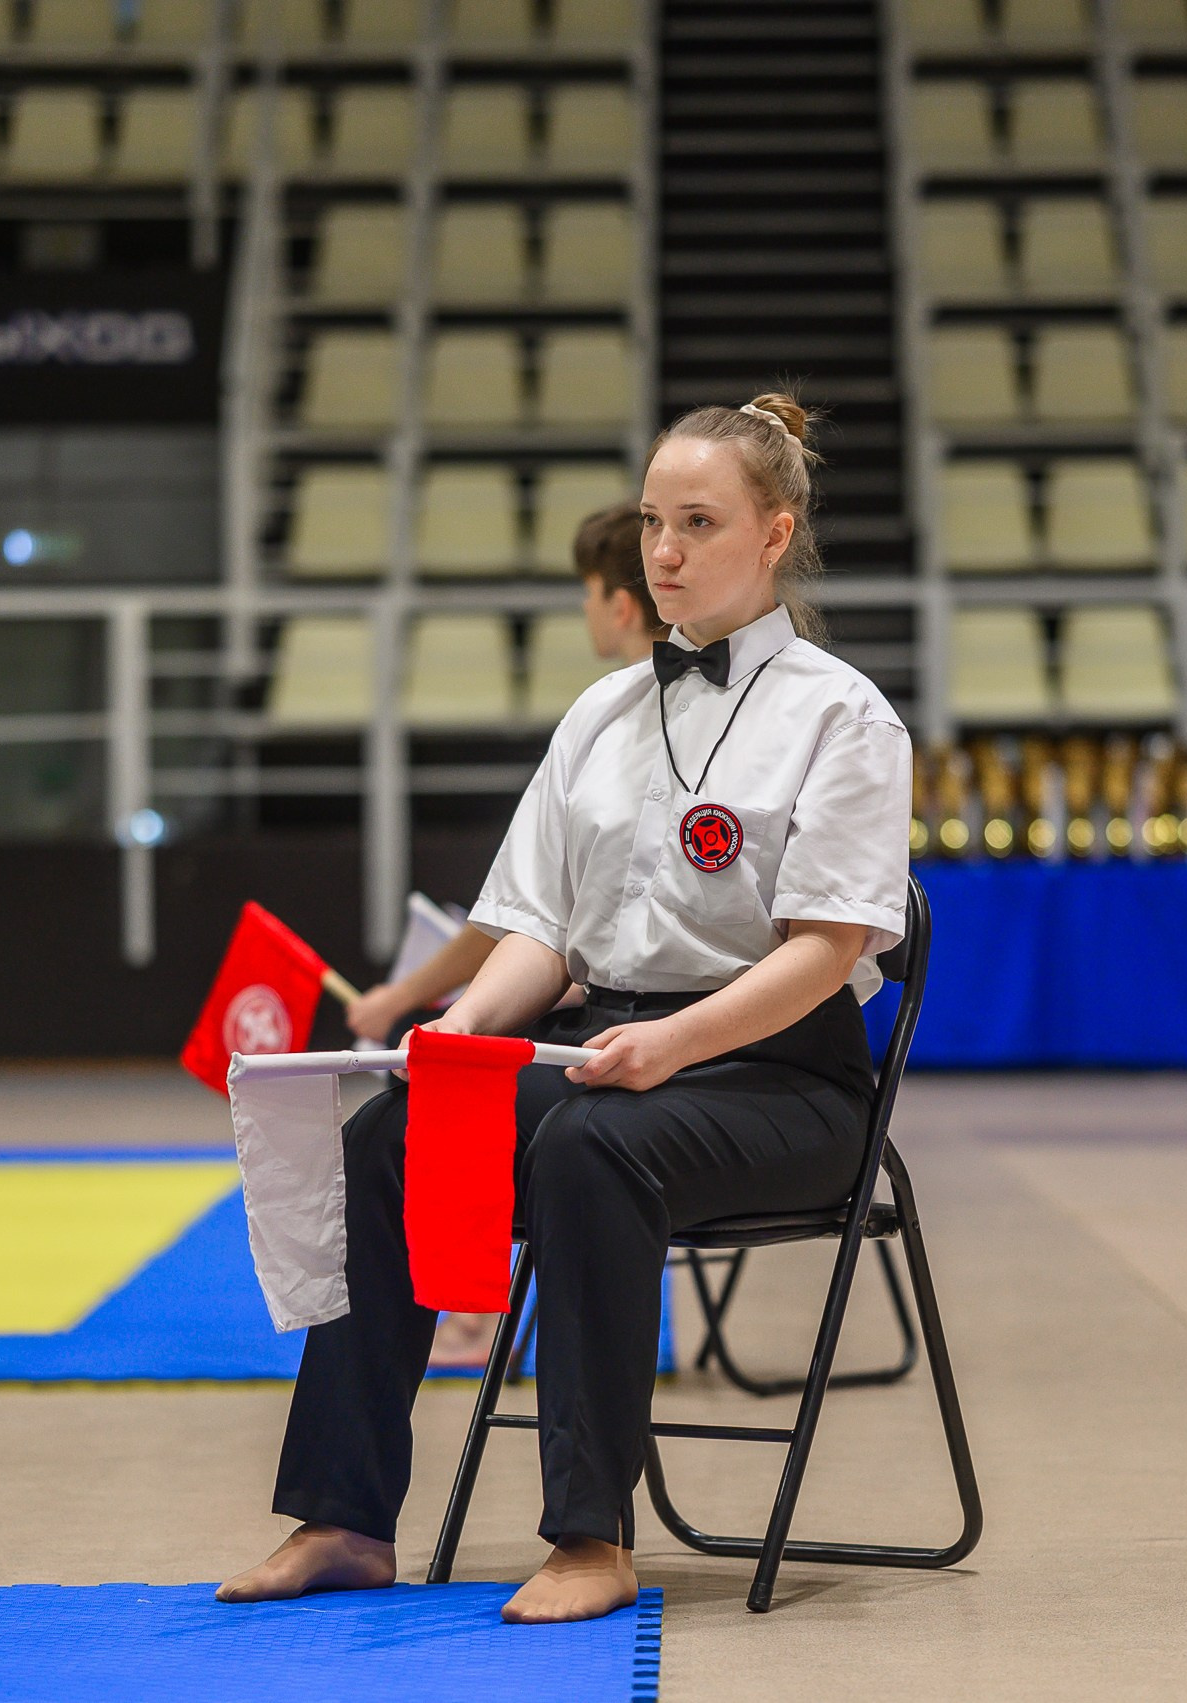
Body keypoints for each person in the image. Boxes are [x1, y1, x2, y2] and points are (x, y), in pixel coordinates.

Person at [218, 393, 910, 1624]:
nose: (664, 550)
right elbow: (535, 928)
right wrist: (457, 1036)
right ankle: (343, 1515)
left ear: (773, 533)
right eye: (653, 520)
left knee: (594, 1147)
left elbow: (826, 950)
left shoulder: (842, 714)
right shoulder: (598, 714)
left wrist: (671, 1044)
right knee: (394, 1131)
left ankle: (591, 1536)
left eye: (699, 522)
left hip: (781, 1079)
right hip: (605, 1041)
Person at [342, 503, 667, 1046]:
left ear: (622, 608)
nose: (585, 607)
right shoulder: (597, 717)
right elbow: (539, 915)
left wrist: (399, 998)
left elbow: (515, 919)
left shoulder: (611, 726)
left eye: (589, 593)